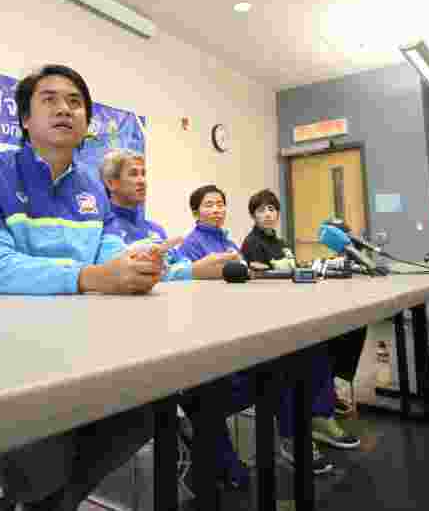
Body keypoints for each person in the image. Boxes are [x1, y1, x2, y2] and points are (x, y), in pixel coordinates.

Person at [0, 64, 172, 511]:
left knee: (149, 406)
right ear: (24, 119)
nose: (64, 109)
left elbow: (111, 258)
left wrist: (139, 265)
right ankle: (35, 498)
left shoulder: (92, 186)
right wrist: (90, 277)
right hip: (5, 347)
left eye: (75, 101)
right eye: (49, 99)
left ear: (87, 122)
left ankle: (41, 502)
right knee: (49, 446)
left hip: (82, 342)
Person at [178, 185, 360, 486]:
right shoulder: (192, 245)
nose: (216, 209)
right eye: (209, 205)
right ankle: (294, 432)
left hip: (243, 320)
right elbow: (202, 293)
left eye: (221, 204)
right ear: (195, 211)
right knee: (288, 358)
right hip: (219, 335)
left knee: (313, 343)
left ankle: (319, 414)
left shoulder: (227, 240)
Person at [240, 189, 362, 418]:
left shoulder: (281, 242)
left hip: (297, 303)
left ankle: (330, 386)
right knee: (318, 342)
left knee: (352, 325)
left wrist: (320, 266)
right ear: (253, 215)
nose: (267, 214)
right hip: (274, 311)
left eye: (271, 209)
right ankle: (319, 401)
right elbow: (261, 281)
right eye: (260, 210)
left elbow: (295, 269)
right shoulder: (252, 243)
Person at [100, 149, 238, 281]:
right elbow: (120, 276)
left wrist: (198, 268)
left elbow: (181, 264)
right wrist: (195, 271)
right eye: (133, 174)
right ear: (111, 183)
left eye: (143, 174)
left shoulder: (156, 230)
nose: (142, 180)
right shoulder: (104, 228)